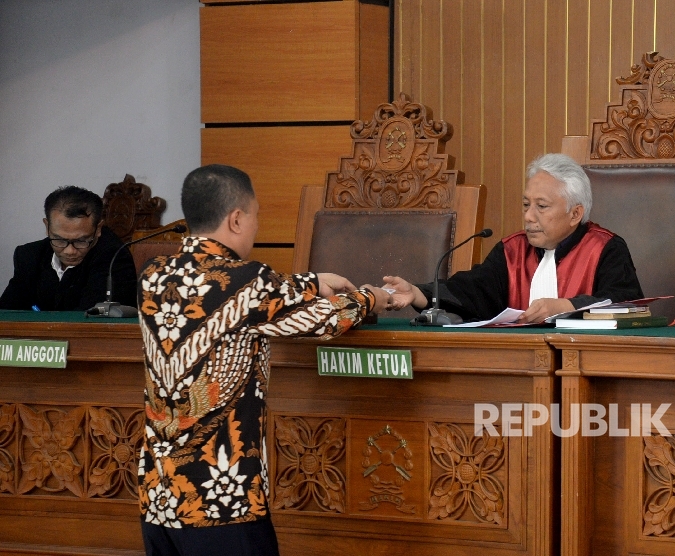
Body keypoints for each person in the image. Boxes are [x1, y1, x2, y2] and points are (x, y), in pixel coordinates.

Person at [137, 164, 390, 555]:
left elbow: (233, 297)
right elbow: (323, 322)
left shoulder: (152, 276)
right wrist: (372, 297)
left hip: (159, 497)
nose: (257, 227)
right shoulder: (250, 280)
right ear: (236, 219)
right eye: (255, 216)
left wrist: (309, 282)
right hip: (222, 500)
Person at [385, 153, 643, 323]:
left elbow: (626, 303)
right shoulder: (512, 250)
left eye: (541, 207)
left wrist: (564, 307)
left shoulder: (605, 248)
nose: (529, 216)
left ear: (575, 214)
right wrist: (419, 293)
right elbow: (473, 290)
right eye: (525, 204)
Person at [0, 185, 136, 311]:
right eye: (59, 239)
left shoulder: (114, 257)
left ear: (98, 228)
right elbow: (7, 312)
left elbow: (89, 318)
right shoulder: (29, 256)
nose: (70, 251)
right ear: (47, 226)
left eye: (81, 241)